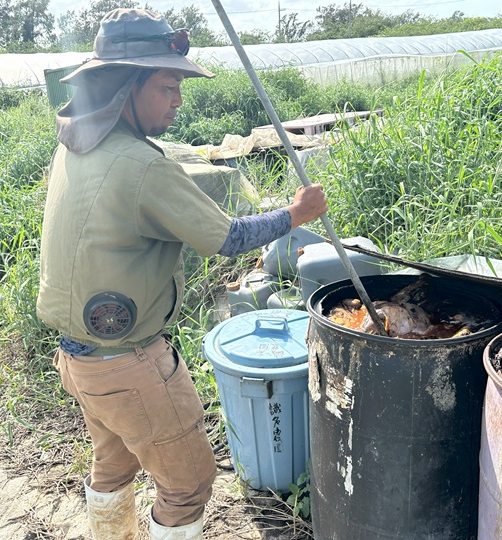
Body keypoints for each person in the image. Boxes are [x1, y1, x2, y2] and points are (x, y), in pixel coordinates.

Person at [37, 8, 327, 540]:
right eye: (168, 86)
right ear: (128, 85)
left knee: (114, 465)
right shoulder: (142, 166)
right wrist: (295, 215)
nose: (178, 99)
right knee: (190, 484)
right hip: (129, 363)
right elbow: (228, 239)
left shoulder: (76, 146)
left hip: (77, 358)